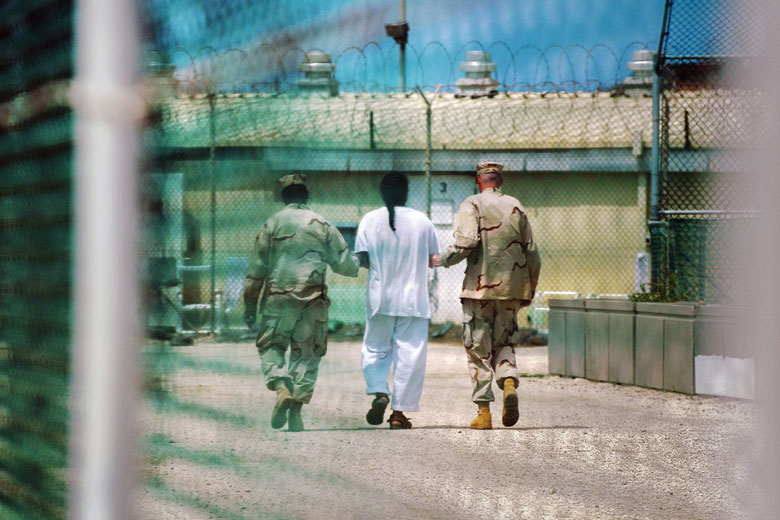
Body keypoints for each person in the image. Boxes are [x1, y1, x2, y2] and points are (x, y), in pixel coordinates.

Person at [242, 174, 359, 432]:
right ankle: (296, 411)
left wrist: (250, 306)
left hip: (278, 300)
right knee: (307, 354)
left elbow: (256, 272)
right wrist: (362, 260)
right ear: (306, 196)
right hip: (313, 302)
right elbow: (346, 266)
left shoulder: (271, 225)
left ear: (284, 198)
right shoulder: (323, 224)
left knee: (271, 348)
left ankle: (281, 386)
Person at [431, 162, 541, 430]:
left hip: (479, 291)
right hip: (511, 290)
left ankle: (484, 414)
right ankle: (509, 382)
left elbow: (466, 242)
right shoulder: (517, 206)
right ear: (500, 181)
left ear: (479, 181)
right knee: (504, 343)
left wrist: (441, 260)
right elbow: (533, 254)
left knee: (478, 351)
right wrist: (529, 290)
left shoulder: (472, 204)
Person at [355, 172, 441, 429]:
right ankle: (398, 414)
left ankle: (380, 391)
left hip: (379, 298)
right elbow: (433, 259)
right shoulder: (422, 221)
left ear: (382, 193)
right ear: (406, 193)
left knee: (375, 348)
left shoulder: (369, 220)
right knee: (410, 355)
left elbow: (362, 260)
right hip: (413, 300)